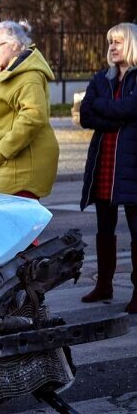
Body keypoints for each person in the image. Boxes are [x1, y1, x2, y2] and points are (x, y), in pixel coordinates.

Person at [78, 22, 137, 314]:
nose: (112, 47)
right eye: (110, 42)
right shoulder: (101, 78)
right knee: (104, 229)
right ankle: (104, 284)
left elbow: (132, 108)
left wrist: (111, 109)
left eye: (118, 42)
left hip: (131, 164)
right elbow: (86, 115)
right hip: (104, 163)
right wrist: (118, 118)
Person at [0, 20, 58, 200]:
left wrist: (1, 152)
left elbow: (34, 117)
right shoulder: (5, 72)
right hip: (8, 169)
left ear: (14, 45)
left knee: (14, 227)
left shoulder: (28, 76)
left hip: (18, 171)